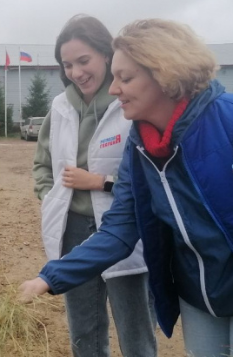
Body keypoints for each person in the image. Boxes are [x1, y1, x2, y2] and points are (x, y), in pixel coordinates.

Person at [20, 18, 233, 357]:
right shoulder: (140, 144)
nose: (114, 89)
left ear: (164, 74)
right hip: (201, 299)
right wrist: (50, 277)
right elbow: (119, 230)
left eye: (125, 78)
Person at [32, 15, 156, 357]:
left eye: (83, 61)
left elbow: (150, 177)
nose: (76, 72)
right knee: (83, 330)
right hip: (73, 229)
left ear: (106, 54)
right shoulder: (59, 108)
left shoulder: (130, 103)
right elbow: (42, 164)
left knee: (135, 327)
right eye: (67, 64)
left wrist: (102, 183)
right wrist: (52, 198)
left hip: (122, 231)